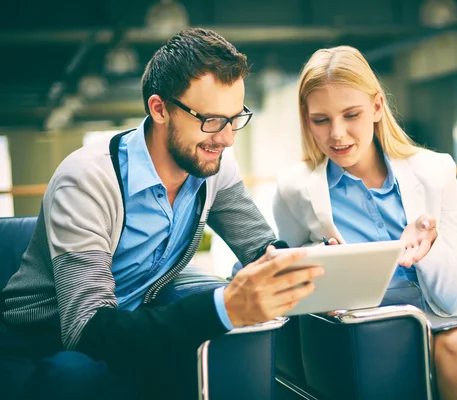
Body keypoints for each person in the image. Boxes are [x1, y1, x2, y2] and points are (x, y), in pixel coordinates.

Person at [0, 28, 322, 400]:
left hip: (133, 327)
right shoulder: (87, 179)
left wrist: (319, 259)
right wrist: (222, 307)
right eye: (212, 120)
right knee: (77, 376)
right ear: (159, 109)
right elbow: (86, 328)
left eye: (235, 118)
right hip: (40, 340)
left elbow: (263, 250)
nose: (227, 137)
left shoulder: (213, 166)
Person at [272, 45, 457, 400]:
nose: (337, 133)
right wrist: (326, 267)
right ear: (307, 118)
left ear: (378, 107)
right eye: (321, 119)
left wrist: (427, 251)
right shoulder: (296, 188)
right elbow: (291, 278)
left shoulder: (434, 170)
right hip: (386, 325)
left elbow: (456, 291)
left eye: (351, 114)